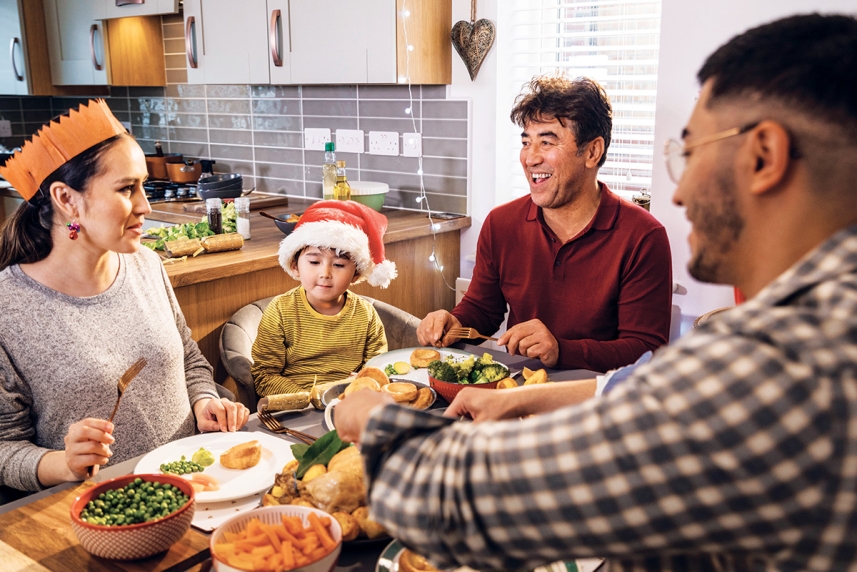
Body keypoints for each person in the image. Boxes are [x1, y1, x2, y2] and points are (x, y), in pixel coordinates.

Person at [336, 13, 857, 571]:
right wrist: (516, 396)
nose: (677, 192)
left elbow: (471, 497)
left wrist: (377, 423)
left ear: (764, 157)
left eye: (691, 152)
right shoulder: (819, 316)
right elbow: (634, 387)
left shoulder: (785, 361)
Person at [0, 100, 249, 494]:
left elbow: (188, 359)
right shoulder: (8, 309)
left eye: (143, 186)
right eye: (126, 188)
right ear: (66, 199)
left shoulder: (146, 265)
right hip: (100, 508)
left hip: (195, 486)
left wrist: (204, 403)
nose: (144, 206)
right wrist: (61, 463)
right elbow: (3, 448)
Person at [418, 76, 672, 373]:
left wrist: (561, 350)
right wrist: (455, 323)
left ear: (592, 152)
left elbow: (646, 351)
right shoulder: (501, 224)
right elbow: (483, 309)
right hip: (516, 388)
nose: (530, 157)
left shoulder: (643, 236)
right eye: (526, 142)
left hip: (596, 400)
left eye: (547, 142)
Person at [251, 200, 396, 396]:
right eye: (314, 261)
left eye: (338, 265)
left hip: (350, 402)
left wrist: (359, 386)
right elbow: (264, 376)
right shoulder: (280, 311)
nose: (325, 273)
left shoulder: (366, 314)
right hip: (295, 406)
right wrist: (309, 398)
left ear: (356, 274)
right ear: (295, 266)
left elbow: (377, 370)